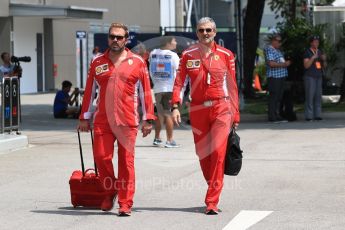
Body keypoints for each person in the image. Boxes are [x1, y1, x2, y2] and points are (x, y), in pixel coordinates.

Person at [78, 22, 155, 216]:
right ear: (108, 38)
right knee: (101, 158)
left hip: (127, 121)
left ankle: (125, 202)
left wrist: (148, 119)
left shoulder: (137, 61)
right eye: (112, 36)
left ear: (126, 39)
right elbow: (90, 92)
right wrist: (84, 117)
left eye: (119, 37)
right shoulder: (97, 62)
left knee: (126, 163)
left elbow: (146, 91)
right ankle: (110, 190)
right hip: (103, 120)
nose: (115, 40)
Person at [171, 17, 240, 215]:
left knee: (218, 153)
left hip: (221, 107)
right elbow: (179, 83)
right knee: (203, 154)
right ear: (197, 32)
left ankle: (212, 201)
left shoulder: (226, 55)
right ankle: (214, 186)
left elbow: (233, 86)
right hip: (198, 109)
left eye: (209, 30)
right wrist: (175, 105)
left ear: (215, 32)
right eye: (201, 30)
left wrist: (235, 114)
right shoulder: (187, 55)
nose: (205, 33)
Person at [149, 36, 180, 147]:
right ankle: (170, 140)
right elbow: (179, 71)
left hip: (157, 88)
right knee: (168, 114)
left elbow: (151, 69)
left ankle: (157, 138)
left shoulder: (153, 53)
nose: (176, 42)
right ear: (168, 43)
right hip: (169, 89)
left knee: (160, 114)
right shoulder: (173, 56)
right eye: (174, 41)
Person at [264, 34, 291, 122]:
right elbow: (271, 64)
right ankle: (272, 116)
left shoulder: (278, 50)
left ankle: (277, 114)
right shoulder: (269, 49)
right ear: (273, 41)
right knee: (274, 97)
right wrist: (284, 64)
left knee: (279, 97)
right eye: (278, 41)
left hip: (281, 77)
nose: (280, 43)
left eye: (280, 41)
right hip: (274, 77)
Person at [303, 35, 326, 121]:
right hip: (310, 76)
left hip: (318, 76)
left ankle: (318, 115)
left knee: (318, 96)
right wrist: (312, 58)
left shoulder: (320, 51)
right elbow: (306, 65)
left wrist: (324, 59)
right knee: (310, 96)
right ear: (311, 43)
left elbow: (324, 66)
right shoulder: (307, 52)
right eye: (315, 41)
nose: (317, 43)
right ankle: (309, 116)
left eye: (318, 41)